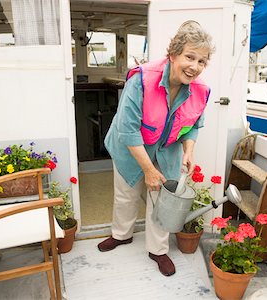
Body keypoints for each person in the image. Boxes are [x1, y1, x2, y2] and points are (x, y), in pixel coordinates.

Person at [98, 20, 215, 276]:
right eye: (190, 57)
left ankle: (158, 250)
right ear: (173, 55)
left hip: (166, 150)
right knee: (126, 194)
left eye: (202, 61)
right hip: (130, 148)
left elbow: (193, 125)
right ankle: (121, 235)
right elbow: (127, 130)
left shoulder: (200, 90)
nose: (195, 67)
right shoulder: (141, 80)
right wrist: (148, 170)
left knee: (162, 201)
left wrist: (189, 151)